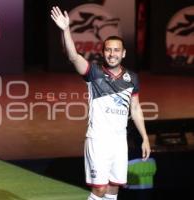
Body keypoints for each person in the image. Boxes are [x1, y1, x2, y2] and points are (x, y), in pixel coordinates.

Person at [50, 6, 151, 200]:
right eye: (108, 50)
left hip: (120, 143)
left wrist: (145, 137)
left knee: (113, 189)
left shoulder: (133, 79)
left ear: (123, 54)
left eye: (116, 50)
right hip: (98, 141)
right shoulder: (94, 74)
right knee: (100, 190)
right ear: (103, 52)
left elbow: (136, 108)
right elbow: (73, 56)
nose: (112, 54)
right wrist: (65, 30)